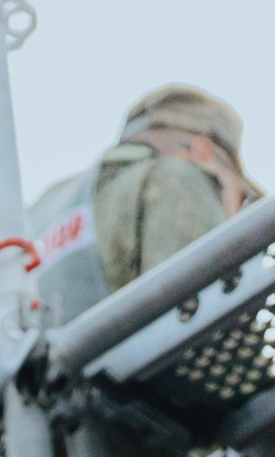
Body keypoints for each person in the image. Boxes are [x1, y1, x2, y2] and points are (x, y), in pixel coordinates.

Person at [29, 86, 260, 329]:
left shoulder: (43, 212)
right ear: (201, 152)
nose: (235, 211)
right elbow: (198, 323)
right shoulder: (179, 181)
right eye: (241, 198)